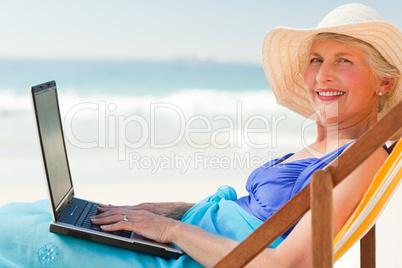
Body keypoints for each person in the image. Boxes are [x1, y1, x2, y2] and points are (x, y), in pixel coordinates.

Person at [0, 3, 401, 267]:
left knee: (13, 233)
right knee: (28, 213)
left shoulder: (362, 159)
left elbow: (286, 264)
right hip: (189, 244)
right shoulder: (327, 146)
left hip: (188, 259)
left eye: (343, 61)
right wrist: (171, 210)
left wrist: (172, 230)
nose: (323, 74)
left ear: (384, 83)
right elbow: (264, 214)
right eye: (316, 59)